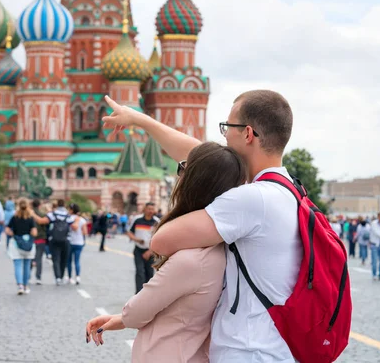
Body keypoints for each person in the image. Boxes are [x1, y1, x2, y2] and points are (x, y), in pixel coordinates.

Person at [102, 90, 302, 361]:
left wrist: (188, 190)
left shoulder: (250, 199)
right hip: (272, 347)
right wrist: (140, 120)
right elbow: (200, 157)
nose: (223, 137)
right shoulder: (286, 189)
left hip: (249, 351)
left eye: (226, 127)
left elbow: (160, 240)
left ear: (248, 134)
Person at [86, 142, 245, 361]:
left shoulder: (192, 259)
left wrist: (125, 317)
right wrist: (120, 319)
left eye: (182, 169)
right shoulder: (224, 248)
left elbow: (137, 312)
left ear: (193, 183)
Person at [33, 200, 75, 286]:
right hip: (66, 239)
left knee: (56, 259)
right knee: (63, 259)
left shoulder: (52, 214)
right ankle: (62, 276)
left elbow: (41, 221)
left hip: (54, 239)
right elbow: (74, 226)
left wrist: (32, 214)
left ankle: (58, 277)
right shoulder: (68, 215)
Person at [6, 199, 38, 295]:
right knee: (27, 265)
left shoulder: (14, 217)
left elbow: (7, 229)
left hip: (16, 244)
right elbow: (34, 232)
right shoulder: (31, 218)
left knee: (18, 265)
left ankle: (20, 285)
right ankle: (25, 285)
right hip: (28, 244)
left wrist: (13, 234)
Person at [127, 202, 159, 294]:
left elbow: (159, 238)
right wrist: (136, 239)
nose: (150, 211)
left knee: (149, 273)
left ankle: (147, 294)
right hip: (138, 250)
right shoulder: (137, 220)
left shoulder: (157, 222)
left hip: (151, 251)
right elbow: (129, 232)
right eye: (149, 209)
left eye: (152, 209)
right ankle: (138, 294)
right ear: (144, 209)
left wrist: (150, 251)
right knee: (139, 272)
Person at [67, 203, 86, 285]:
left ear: (71, 210)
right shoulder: (82, 220)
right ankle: (78, 276)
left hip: (70, 241)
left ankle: (70, 277)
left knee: (69, 261)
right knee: (77, 260)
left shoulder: (68, 219)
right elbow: (85, 232)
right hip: (79, 242)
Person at [31, 199, 48, 285]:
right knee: (39, 258)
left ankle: (27, 276)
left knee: (29, 258)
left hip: (31, 239)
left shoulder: (28, 214)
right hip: (41, 238)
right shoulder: (42, 214)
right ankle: (38, 277)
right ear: (39, 205)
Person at [368, 214, 380, 280]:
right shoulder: (374, 223)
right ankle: (374, 274)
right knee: (375, 261)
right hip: (375, 244)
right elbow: (377, 233)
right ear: (378, 217)